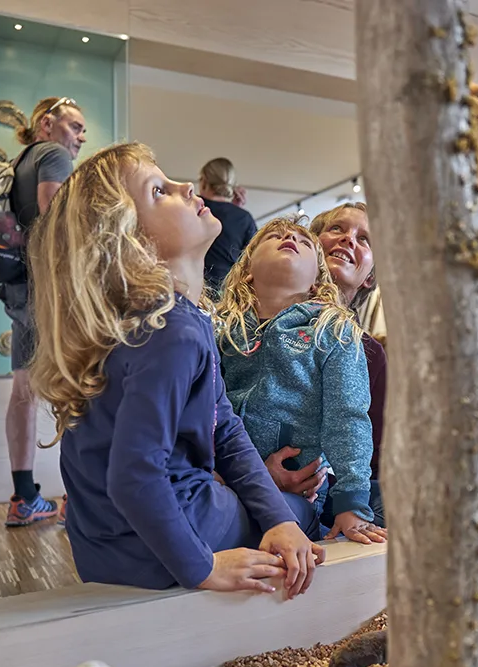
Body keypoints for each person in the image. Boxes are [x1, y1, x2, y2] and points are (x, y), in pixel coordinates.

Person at [27, 143, 324, 598]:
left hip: (103, 548)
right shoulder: (172, 329)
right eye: (159, 190)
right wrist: (204, 567)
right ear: (128, 242)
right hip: (167, 541)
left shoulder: (147, 322)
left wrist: (275, 519)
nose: (186, 186)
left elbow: (224, 429)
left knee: (280, 513)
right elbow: (134, 476)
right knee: (306, 513)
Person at [216, 217, 387, 545]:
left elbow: (347, 418)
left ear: (316, 283)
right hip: (225, 477)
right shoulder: (222, 329)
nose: (289, 238)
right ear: (248, 270)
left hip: (298, 492)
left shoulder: (333, 331)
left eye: (304, 242)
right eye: (274, 236)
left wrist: (351, 503)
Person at [264, 203, 387, 528]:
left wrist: (333, 489)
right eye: (336, 228)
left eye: (364, 239)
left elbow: (372, 453)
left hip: (327, 493)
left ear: (369, 276)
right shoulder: (255, 327)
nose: (349, 239)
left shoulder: (369, 352)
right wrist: (255, 473)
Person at [2, 96, 87, 527]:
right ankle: (81, 499)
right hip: (50, 292)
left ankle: (24, 498)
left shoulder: (20, 162)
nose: (81, 136)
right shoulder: (53, 154)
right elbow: (56, 222)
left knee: (24, 390)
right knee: (80, 388)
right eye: (75, 126)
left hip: (19, 292)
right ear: (48, 124)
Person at [198, 157, 257, 293]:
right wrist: (235, 210)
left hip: (190, 286)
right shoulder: (244, 218)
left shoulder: (192, 207)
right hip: (225, 292)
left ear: (204, 181)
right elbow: (251, 261)